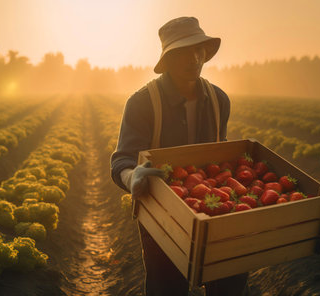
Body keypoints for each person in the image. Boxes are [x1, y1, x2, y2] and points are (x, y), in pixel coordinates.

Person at [110, 17, 248, 295]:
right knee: (167, 285)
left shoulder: (219, 99)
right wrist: (132, 176)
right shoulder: (142, 103)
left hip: (214, 209)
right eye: (185, 52)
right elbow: (121, 161)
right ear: (169, 58)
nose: (195, 58)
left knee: (229, 280)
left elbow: (218, 155)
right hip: (162, 213)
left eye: (199, 51)